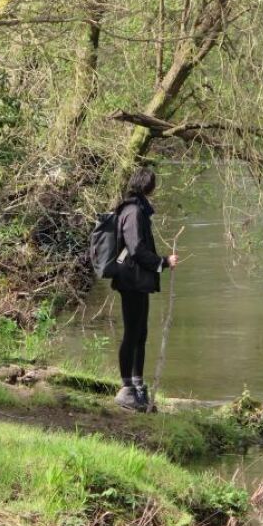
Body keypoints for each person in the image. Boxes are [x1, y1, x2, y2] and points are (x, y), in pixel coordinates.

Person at [111, 167, 178, 411]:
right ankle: (126, 389)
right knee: (132, 333)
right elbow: (136, 249)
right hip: (131, 280)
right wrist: (162, 262)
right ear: (148, 187)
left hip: (138, 280)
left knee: (141, 334)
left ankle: (138, 388)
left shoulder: (136, 209)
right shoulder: (133, 212)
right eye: (153, 184)